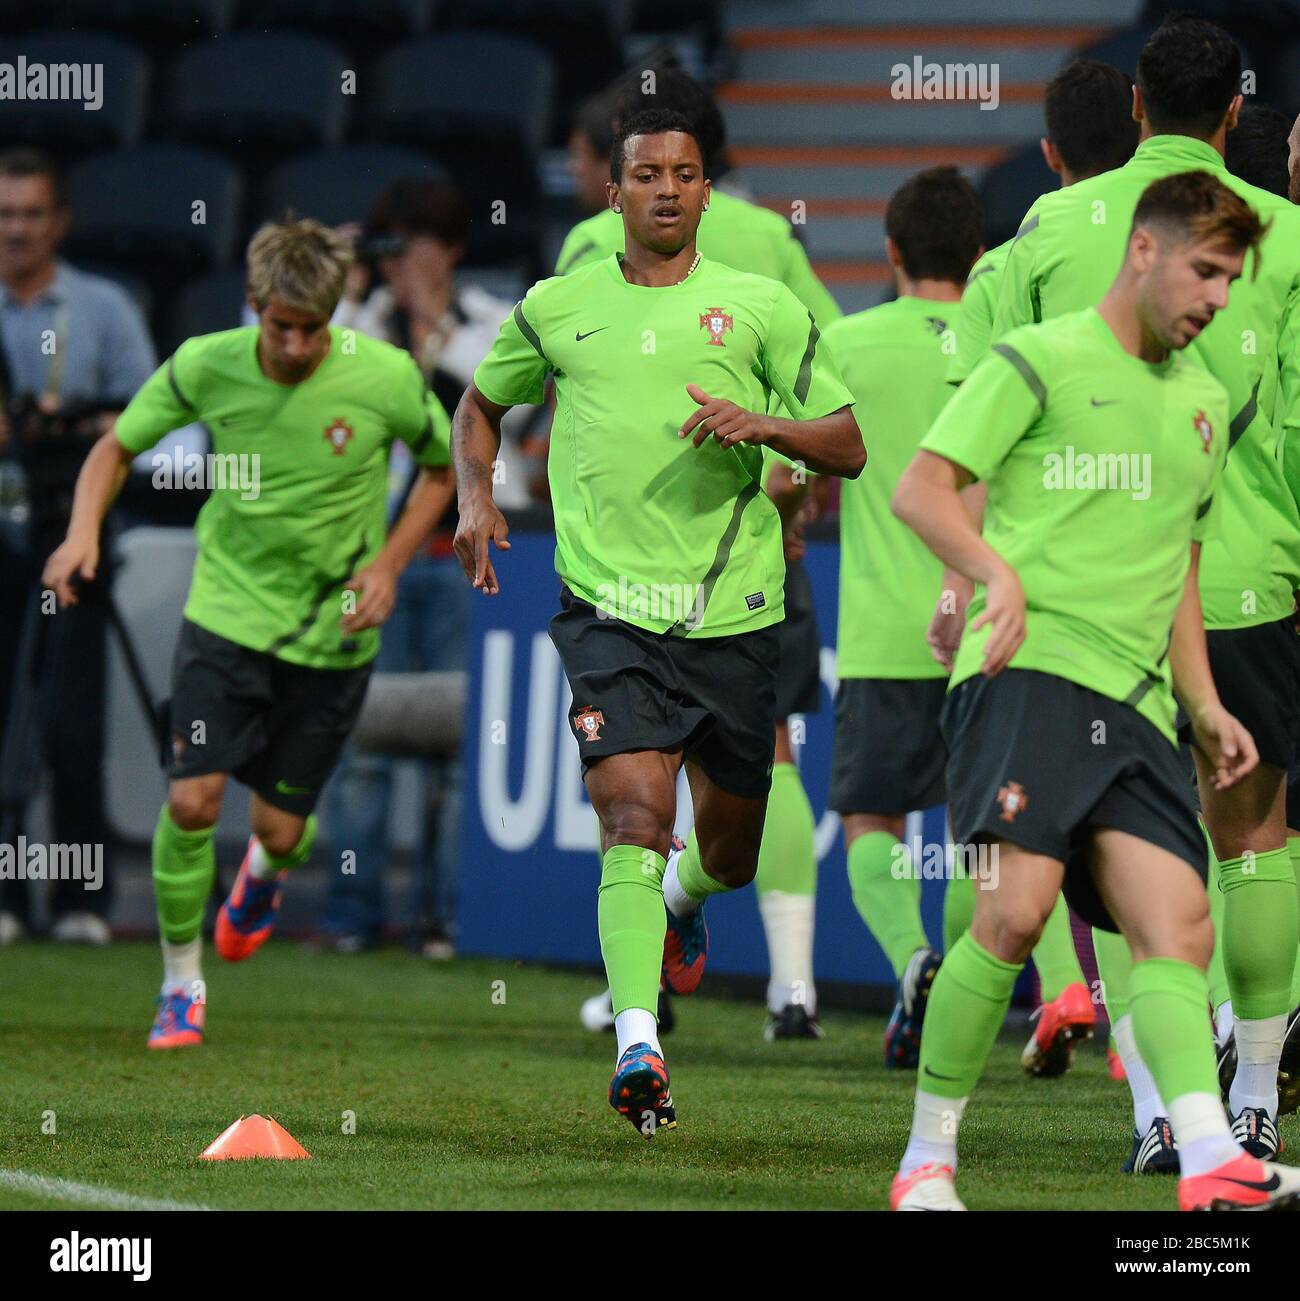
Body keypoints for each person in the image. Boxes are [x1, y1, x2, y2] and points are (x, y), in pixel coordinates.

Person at [889, 170, 1300, 1213]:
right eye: (1205, 271)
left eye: (1232, 278)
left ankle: (1210, 1160)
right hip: (1022, 674)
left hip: (1136, 698)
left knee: (1178, 923)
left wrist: (1204, 705)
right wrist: (990, 573)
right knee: (1014, 914)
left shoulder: (1206, 405)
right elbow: (921, 488)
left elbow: (1183, 578)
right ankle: (925, 1160)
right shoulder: (1038, 358)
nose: (1217, 297)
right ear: (1144, 252)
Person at [454, 109, 862, 1135]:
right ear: (614, 191)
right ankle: (640, 1038)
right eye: (647, 173)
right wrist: (476, 495)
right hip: (607, 613)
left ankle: (684, 903)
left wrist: (764, 423)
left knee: (726, 851)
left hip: (734, 620)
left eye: (685, 173)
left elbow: (848, 443)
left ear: (707, 192)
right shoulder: (556, 305)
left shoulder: (761, 306)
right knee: (632, 814)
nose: (667, 189)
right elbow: (478, 407)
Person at [993, 15, 1300, 1164]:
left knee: (1118, 848)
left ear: (1133, 108)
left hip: (1093, 586)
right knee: (1255, 834)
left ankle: (1160, 1116)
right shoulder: (1292, 238)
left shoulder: (1048, 225)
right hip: (1250, 578)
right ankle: (1256, 1095)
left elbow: (1006, 399)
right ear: (1234, 115)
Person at [42, 218, 454, 1049]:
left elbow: (442, 468)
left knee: (280, 832)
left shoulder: (384, 376)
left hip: (333, 633)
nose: (297, 345)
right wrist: (84, 530)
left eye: (313, 328)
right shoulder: (207, 363)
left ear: (334, 314)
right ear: (256, 307)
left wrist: (388, 565)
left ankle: (261, 881)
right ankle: (180, 984)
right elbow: (114, 449)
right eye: (281, 326)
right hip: (226, 613)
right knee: (192, 799)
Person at [564, 68, 846, 1043]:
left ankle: (681, 931)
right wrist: (803, 492)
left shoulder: (594, 247)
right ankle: (788, 988)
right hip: (723, 543)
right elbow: (826, 361)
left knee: (734, 797)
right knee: (688, 779)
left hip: (712, 545)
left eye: (677, 168)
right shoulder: (771, 237)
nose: (665, 188)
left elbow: (824, 395)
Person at [944, 58, 1142, 1088]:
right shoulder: (1220, 226)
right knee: (1227, 825)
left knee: (1029, 834)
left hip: (1050, 576)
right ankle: (1231, 1067)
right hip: (1204, 562)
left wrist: (963, 580)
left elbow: (965, 437)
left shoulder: (1024, 249)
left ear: (1052, 151)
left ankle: (932, 1146)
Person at [321, 177, 532, 957]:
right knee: (363, 741)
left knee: (461, 740)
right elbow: (303, 368)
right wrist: (344, 283)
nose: (405, 261)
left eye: (421, 243)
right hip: (374, 547)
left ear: (452, 249)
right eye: (391, 246)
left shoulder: (489, 325)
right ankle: (351, 914)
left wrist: (431, 325)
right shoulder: (353, 324)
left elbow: (495, 402)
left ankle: (448, 916)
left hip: (461, 549)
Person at [822, 166, 981, 1067]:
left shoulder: (845, 342)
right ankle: (954, 996)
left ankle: (910, 960)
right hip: (991, 622)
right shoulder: (1010, 343)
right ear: (982, 254)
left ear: (889, 253)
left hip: (883, 630)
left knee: (871, 823)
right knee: (980, 837)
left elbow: (788, 477)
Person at [0, 146, 156, 947]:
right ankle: (6, 901)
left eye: (32, 213)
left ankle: (80, 900)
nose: (18, 229)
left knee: (73, 730)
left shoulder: (102, 307)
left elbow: (150, 417)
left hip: (77, 543)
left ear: (58, 219)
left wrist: (81, 425)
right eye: (6, 214)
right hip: (1, 545)